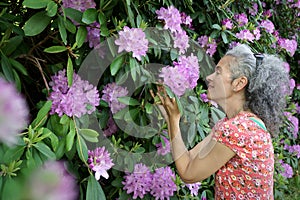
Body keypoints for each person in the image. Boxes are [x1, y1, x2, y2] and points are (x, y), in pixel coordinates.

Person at [152, 44, 290, 199]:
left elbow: (188, 173)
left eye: (218, 73)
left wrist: (173, 119)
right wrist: (170, 118)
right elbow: (188, 158)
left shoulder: (237, 130)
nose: (209, 77)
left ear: (239, 83)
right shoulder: (241, 123)